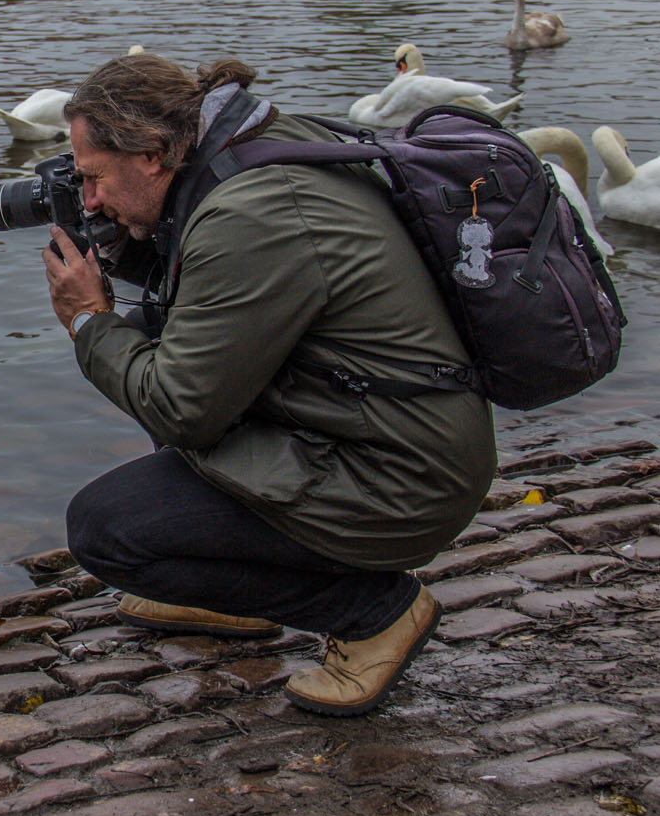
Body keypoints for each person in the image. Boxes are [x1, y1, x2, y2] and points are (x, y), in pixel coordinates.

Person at [42, 52, 496, 716]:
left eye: (92, 179)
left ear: (152, 154)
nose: (88, 200)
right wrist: (123, 244)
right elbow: (204, 296)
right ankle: (225, 589)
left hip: (401, 479)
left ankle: (375, 614)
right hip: (383, 429)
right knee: (153, 338)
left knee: (106, 529)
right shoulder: (260, 146)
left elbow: (180, 409)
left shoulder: (251, 213)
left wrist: (88, 320)